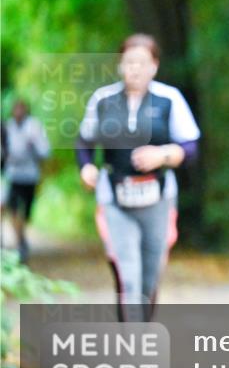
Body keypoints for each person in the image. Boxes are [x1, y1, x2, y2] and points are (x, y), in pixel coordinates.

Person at [76, 34, 200, 322]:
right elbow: (84, 141)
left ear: (154, 66)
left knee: (149, 274)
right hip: (115, 198)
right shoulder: (103, 100)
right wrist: (86, 168)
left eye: (142, 63)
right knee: (126, 273)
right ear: (120, 65)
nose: (135, 69)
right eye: (129, 62)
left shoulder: (170, 99)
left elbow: (191, 147)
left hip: (158, 198)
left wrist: (164, 154)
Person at [1, 99, 52, 263]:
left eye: (21, 109)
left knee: (26, 214)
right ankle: (20, 243)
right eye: (16, 109)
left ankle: (21, 236)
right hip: (13, 175)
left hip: (30, 177)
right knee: (14, 210)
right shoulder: (7, 127)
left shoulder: (34, 127)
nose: (18, 112)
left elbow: (45, 151)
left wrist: (34, 145)